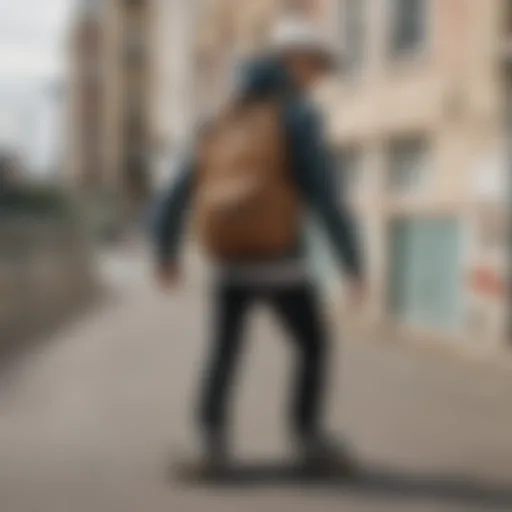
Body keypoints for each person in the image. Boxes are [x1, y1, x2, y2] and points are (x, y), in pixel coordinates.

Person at [152, 17, 366, 469]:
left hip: (228, 261)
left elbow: (176, 190)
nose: (318, 77)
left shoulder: (219, 115)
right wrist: (352, 263)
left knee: (224, 351)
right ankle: (306, 438)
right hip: (281, 260)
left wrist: (166, 250)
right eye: (314, 65)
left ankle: (211, 442)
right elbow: (325, 194)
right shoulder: (299, 115)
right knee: (313, 344)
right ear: (289, 61)